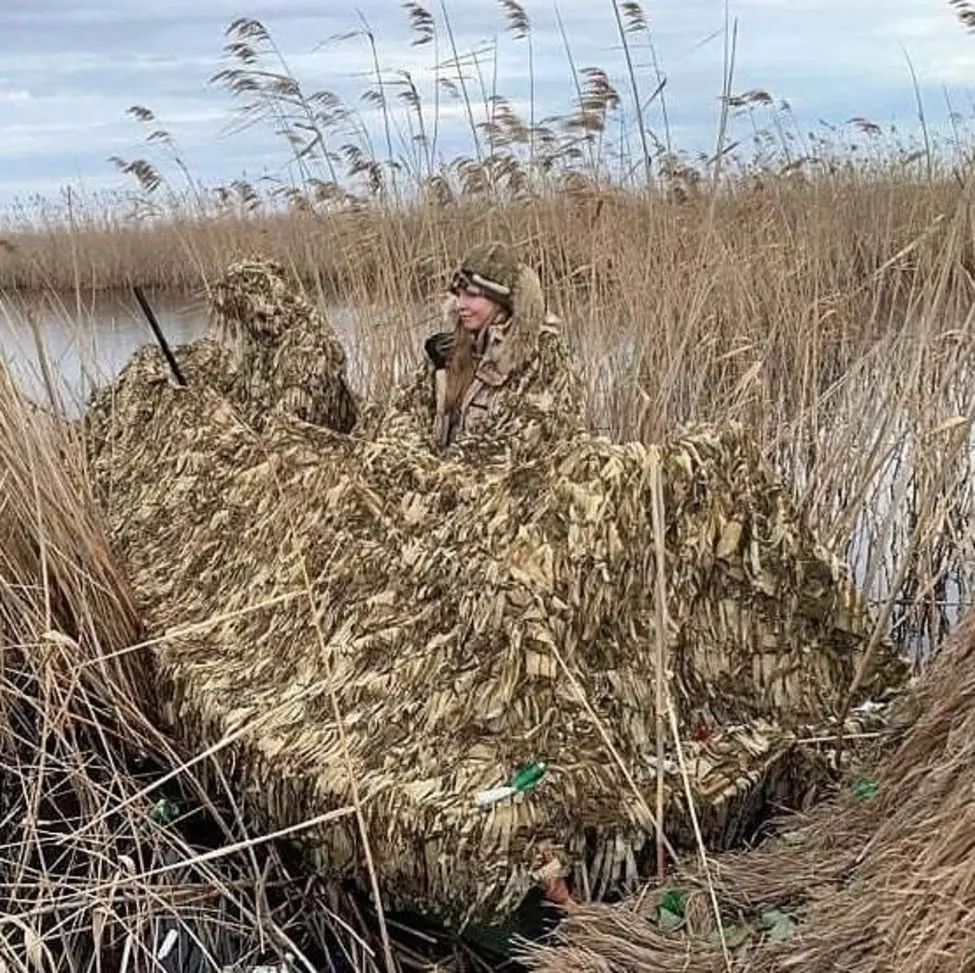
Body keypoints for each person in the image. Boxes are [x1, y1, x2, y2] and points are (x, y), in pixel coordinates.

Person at [423, 241, 540, 449]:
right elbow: (408, 420)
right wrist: (439, 370)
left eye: (472, 295)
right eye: (458, 294)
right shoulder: (446, 351)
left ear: (500, 301)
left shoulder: (533, 363)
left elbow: (516, 450)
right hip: (442, 475)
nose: (461, 304)